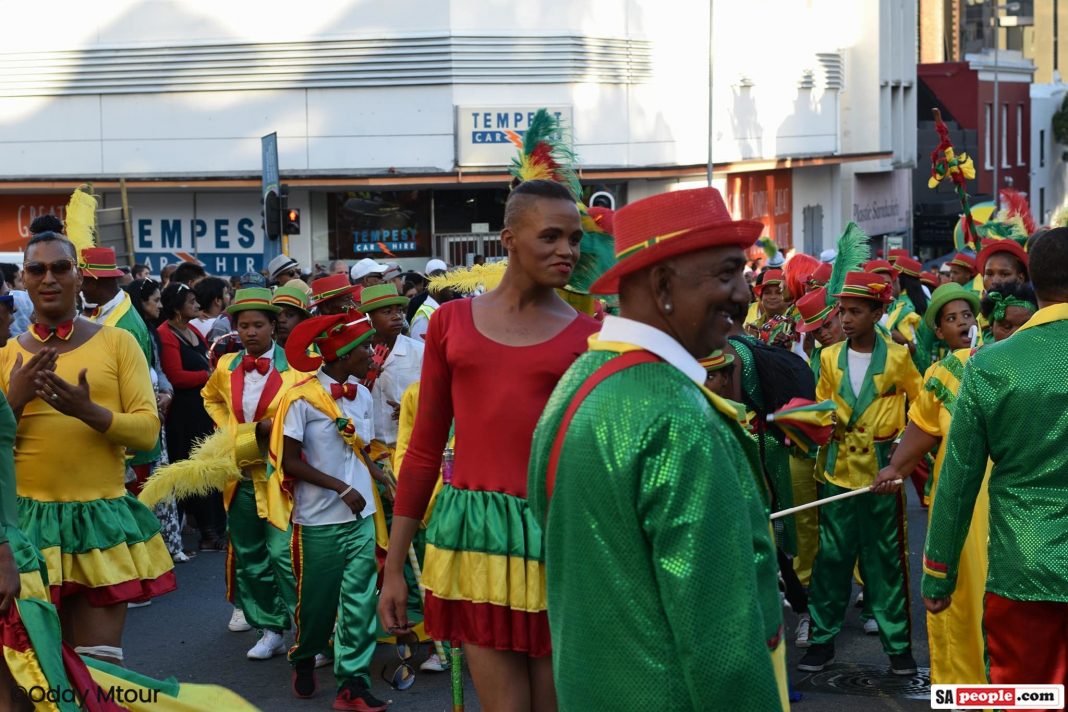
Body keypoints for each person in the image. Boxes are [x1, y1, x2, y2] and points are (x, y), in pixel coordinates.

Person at [527, 186, 785, 711]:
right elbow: (721, 642)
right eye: (727, 273)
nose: (745, 293)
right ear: (663, 284)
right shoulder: (676, 416)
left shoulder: (579, 382)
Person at [379, 180, 601, 710]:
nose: (567, 250)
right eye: (550, 236)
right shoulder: (450, 325)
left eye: (574, 239)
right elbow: (425, 452)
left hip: (557, 538)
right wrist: (394, 566)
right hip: (475, 537)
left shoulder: (592, 336)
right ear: (508, 238)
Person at [0, 231, 173, 663]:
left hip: (100, 522)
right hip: (26, 529)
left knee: (99, 672)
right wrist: (14, 402)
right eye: (37, 269)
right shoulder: (5, 357)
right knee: (37, 676)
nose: (49, 279)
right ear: (24, 279)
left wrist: (86, 410)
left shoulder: (118, 343)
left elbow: (148, 433)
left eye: (61, 267)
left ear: (79, 276)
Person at [921, 228, 1068, 692]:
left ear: (1031, 283)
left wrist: (938, 574)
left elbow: (958, 480)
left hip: (1021, 566)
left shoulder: (989, 365)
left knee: (1028, 699)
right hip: (1021, 570)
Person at [799, 270, 922, 675]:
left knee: (886, 561)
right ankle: (821, 641)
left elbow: (922, 409)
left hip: (882, 477)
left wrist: (901, 449)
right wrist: (813, 423)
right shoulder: (829, 357)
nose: (846, 319)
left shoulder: (899, 356)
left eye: (855, 311)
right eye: (843, 311)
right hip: (837, 473)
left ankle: (898, 646)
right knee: (830, 560)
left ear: (877, 312)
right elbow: (822, 404)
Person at [271, 313, 389, 711]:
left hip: (361, 516)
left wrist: (380, 477)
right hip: (318, 519)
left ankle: (352, 684)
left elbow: (361, 450)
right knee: (318, 605)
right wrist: (340, 487)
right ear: (341, 354)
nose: (372, 353)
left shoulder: (364, 393)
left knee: (359, 601)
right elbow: (289, 462)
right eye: (365, 348)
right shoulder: (299, 397)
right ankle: (304, 655)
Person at [872, 282, 983, 685]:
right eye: (951, 318)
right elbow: (920, 433)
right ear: (939, 330)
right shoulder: (943, 374)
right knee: (959, 604)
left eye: (967, 316)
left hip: (1015, 511)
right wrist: (893, 470)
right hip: (958, 511)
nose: (963, 324)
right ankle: (964, 695)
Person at [202, 288, 302, 660]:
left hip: (281, 476)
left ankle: (309, 631)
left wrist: (275, 428)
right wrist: (235, 430)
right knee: (249, 555)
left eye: (258, 324)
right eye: (243, 326)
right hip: (240, 472)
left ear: (273, 326)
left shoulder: (295, 368)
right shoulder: (225, 366)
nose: (250, 332)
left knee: (286, 554)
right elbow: (209, 397)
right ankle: (270, 628)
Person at [158, 282, 227, 550]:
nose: (197, 305)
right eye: (191, 301)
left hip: (202, 409)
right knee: (193, 470)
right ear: (176, 308)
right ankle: (207, 532)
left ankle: (213, 528)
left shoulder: (193, 329)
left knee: (208, 468)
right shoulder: (166, 334)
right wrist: (207, 376)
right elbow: (175, 376)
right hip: (184, 415)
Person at [126, 278, 187, 563]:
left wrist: (166, 391)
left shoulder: (149, 332)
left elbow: (158, 369)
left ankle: (167, 545)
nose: (160, 306)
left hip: (156, 413)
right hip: (140, 417)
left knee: (160, 481)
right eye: (155, 300)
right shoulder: (128, 330)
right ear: (140, 301)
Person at [357, 284, 424, 455]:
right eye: (387, 312)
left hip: (409, 447)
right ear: (368, 318)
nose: (397, 317)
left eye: (399, 311)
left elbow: (437, 395)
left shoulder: (420, 352)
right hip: (369, 451)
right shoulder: (356, 355)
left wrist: (412, 408)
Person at [190, 276, 232, 340]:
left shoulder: (188, 323)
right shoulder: (224, 324)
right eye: (226, 293)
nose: (229, 296)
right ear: (217, 300)